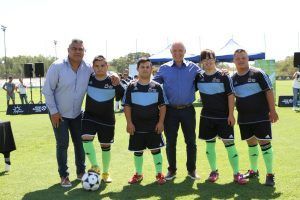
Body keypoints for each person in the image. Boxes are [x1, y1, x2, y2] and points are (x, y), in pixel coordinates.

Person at [42, 39, 92, 187]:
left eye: (80, 49)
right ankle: (64, 176)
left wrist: (113, 74)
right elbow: (47, 90)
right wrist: (54, 112)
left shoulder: (88, 67)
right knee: (63, 144)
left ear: (84, 51)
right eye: (74, 48)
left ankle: (81, 172)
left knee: (80, 143)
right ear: (68, 50)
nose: (78, 51)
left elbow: (103, 71)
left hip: (77, 114)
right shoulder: (57, 66)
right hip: (59, 114)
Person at [195, 49, 247, 184]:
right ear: (201, 62)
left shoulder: (224, 76)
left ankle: (236, 174)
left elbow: (231, 96)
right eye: (204, 59)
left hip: (224, 117)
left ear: (215, 60)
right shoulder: (199, 77)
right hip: (207, 117)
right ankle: (214, 171)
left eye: (210, 58)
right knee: (210, 146)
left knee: (229, 145)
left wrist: (231, 114)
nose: (207, 62)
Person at [153, 42, 202, 180]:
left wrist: (221, 71)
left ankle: (191, 170)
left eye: (180, 50)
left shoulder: (194, 67)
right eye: (175, 50)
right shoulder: (164, 68)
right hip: (170, 111)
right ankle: (172, 170)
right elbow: (152, 84)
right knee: (171, 142)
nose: (177, 53)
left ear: (185, 51)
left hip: (188, 110)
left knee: (191, 142)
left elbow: (207, 75)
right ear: (171, 52)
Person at [232, 49, 279, 186]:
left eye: (243, 57)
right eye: (238, 58)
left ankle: (270, 174)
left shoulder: (258, 73)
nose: (241, 60)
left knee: (264, 143)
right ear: (234, 61)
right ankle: (254, 170)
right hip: (244, 118)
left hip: (261, 116)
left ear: (248, 59)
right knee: (251, 143)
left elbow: (269, 91)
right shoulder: (232, 78)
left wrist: (273, 110)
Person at [81, 55, 124, 183]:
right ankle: (95, 165)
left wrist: (118, 82)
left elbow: (122, 95)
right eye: (96, 66)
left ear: (107, 66)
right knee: (85, 138)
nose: (99, 68)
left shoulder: (113, 80)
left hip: (107, 119)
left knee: (105, 146)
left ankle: (105, 173)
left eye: (102, 65)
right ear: (93, 67)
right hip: (90, 116)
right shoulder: (88, 78)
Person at [123, 58, 167, 185]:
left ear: (151, 69)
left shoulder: (157, 87)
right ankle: (138, 174)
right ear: (138, 69)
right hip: (136, 126)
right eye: (142, 67)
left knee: (156, 149)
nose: (145, 69)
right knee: (138, 151)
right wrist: (129, 123)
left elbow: (163, 106)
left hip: (153, 126)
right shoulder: (131, 86)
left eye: (148, 67)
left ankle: (159, 174)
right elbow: (127, 106)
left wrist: (161, 122)